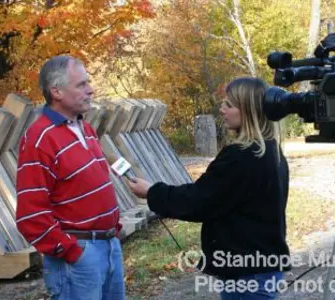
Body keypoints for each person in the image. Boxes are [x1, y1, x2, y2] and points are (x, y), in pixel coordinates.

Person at [128, 77, 290, 299]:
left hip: (247, 273)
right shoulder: (271, 151)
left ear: (249, 111)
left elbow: (199, 200)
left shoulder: (241, 156)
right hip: (261, 265)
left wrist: (152, 192)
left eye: (229, 105)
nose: (222, 109)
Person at [15, 55, 125, 300]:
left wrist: (113, 231)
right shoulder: (39, 138)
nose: (91, 90)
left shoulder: (85, 128)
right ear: (56, 92)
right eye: (81, 85)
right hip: (78, 256)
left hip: (109, 247)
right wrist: (72, 251)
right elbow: (30, 215)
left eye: (88, 83)